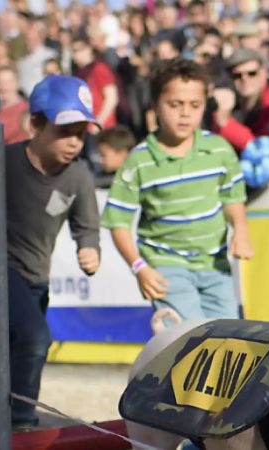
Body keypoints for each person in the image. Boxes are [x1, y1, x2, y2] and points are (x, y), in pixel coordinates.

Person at [0, 75, 101, 437]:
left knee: (16, 354)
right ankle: (21, 426)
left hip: (37, 277)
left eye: (81, 132)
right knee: (36, 338)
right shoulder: (1, 160)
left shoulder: (79, 176)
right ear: (35, 124)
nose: (74, 142)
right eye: (65, 130)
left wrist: (89, 247)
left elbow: (87, 224)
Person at [102, 58, 254, 324]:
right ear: (155, 107)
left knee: (228, 338)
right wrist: (140, 268)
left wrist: (240, 230)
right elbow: (118, 222)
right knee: (189, 340)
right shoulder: (138, 161)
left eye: (194, 105)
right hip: (166, 266)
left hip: (215, 265)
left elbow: (232, 197)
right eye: (175, 104)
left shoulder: (219, 149)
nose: (185, 113)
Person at [211, 48, 269, 152]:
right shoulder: (229, 99)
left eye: (251, 73)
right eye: (237, 75)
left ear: (263, 73)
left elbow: (263, 148)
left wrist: (225, 123)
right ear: (229, 78)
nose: (245, 79)